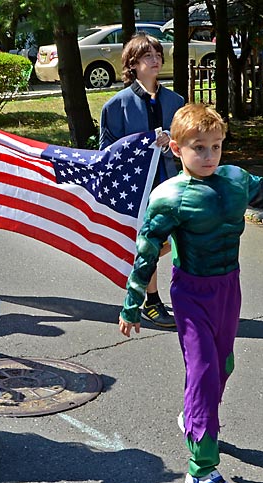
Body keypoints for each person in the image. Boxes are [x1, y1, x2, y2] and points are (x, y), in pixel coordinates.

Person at [118, 104, 263, 483]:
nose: (209, 156)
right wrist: (132, 304)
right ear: (176, 148)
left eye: (216, 147)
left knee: (223, 365)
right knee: (204, 372)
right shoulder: (168, 197)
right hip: (191, 292)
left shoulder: (236, 179)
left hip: (229, 288)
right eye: (199, 147)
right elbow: (147, 251)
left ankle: (194, 417)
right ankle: (202, 468)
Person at [100, 33, 185, 328]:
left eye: (158, 54)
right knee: (150, 242)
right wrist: (140, 146)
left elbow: (190, 140)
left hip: (171, 183)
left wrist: (172, 138)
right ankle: (152, 301)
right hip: (138, 190)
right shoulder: (116, 106)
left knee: (174, 238)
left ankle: (140, 277)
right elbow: (106, 153)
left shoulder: (176, 101)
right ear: (132, 64)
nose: (155, 60)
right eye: (148, 56)